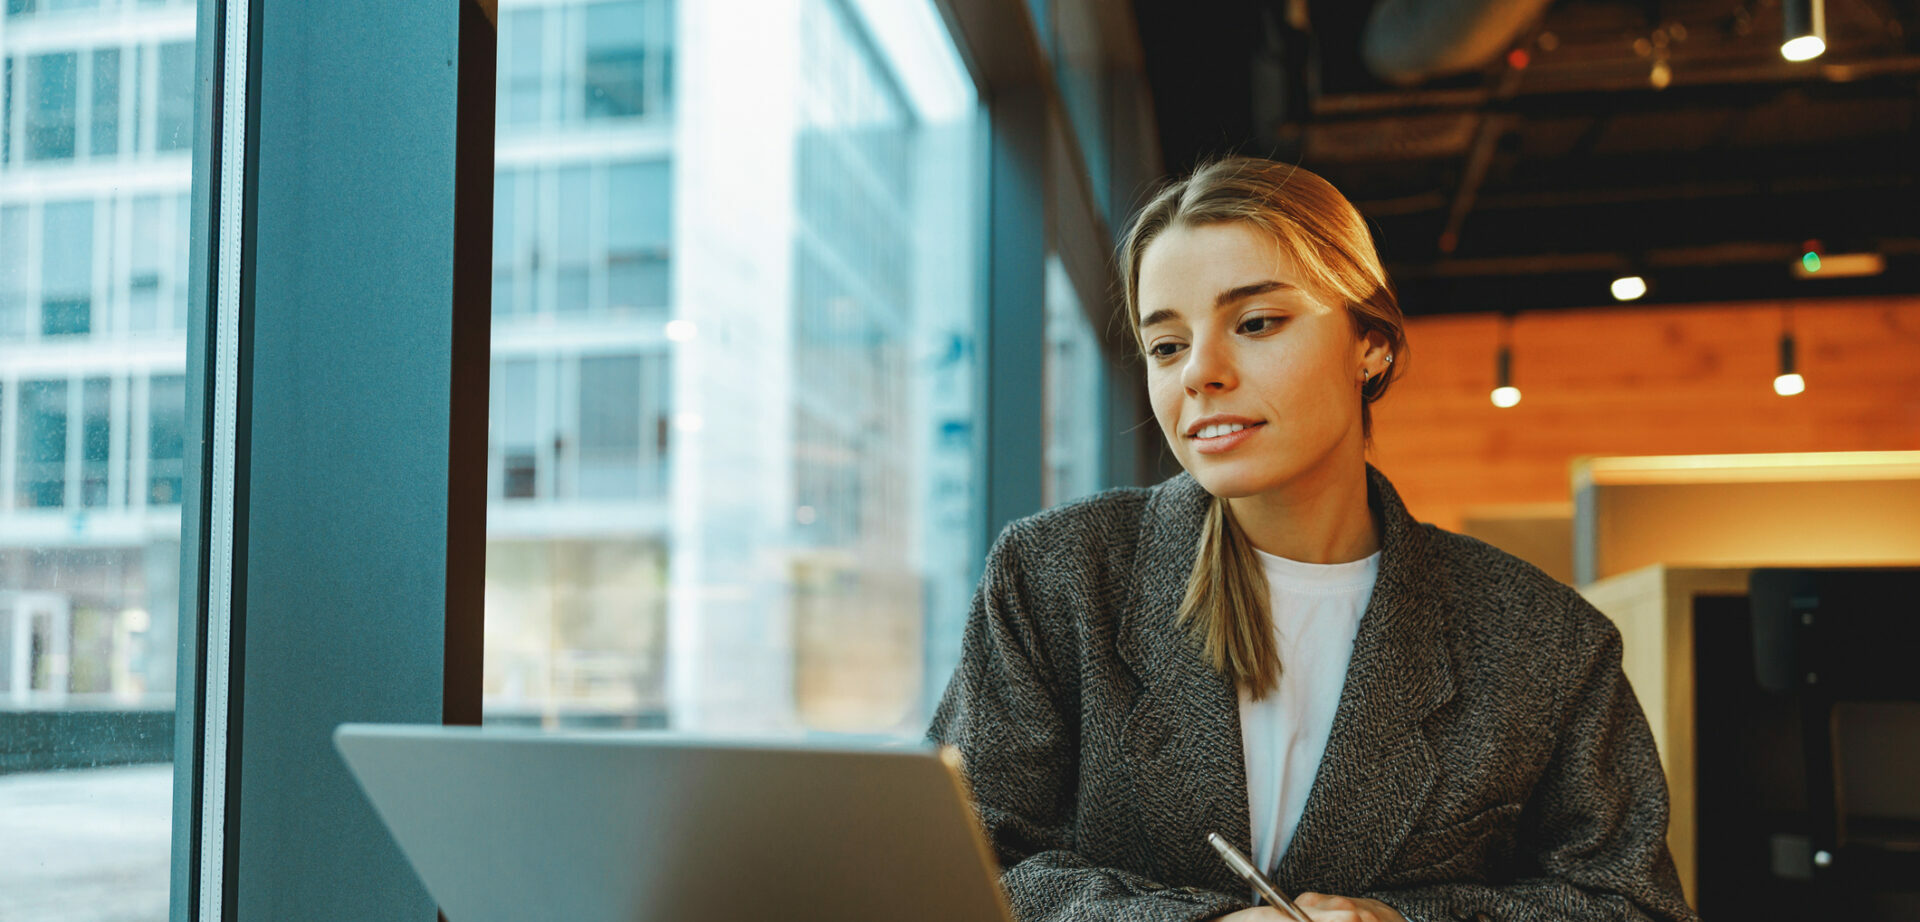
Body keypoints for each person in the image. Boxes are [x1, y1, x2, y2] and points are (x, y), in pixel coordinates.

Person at [926, 156, 1697, 922]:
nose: (1200, 373)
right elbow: (955, 866)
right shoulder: (1057, 577)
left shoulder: (1542, 641)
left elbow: (1630, 905)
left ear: (1371, 343)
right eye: (1167, 346)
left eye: (1256, 323)